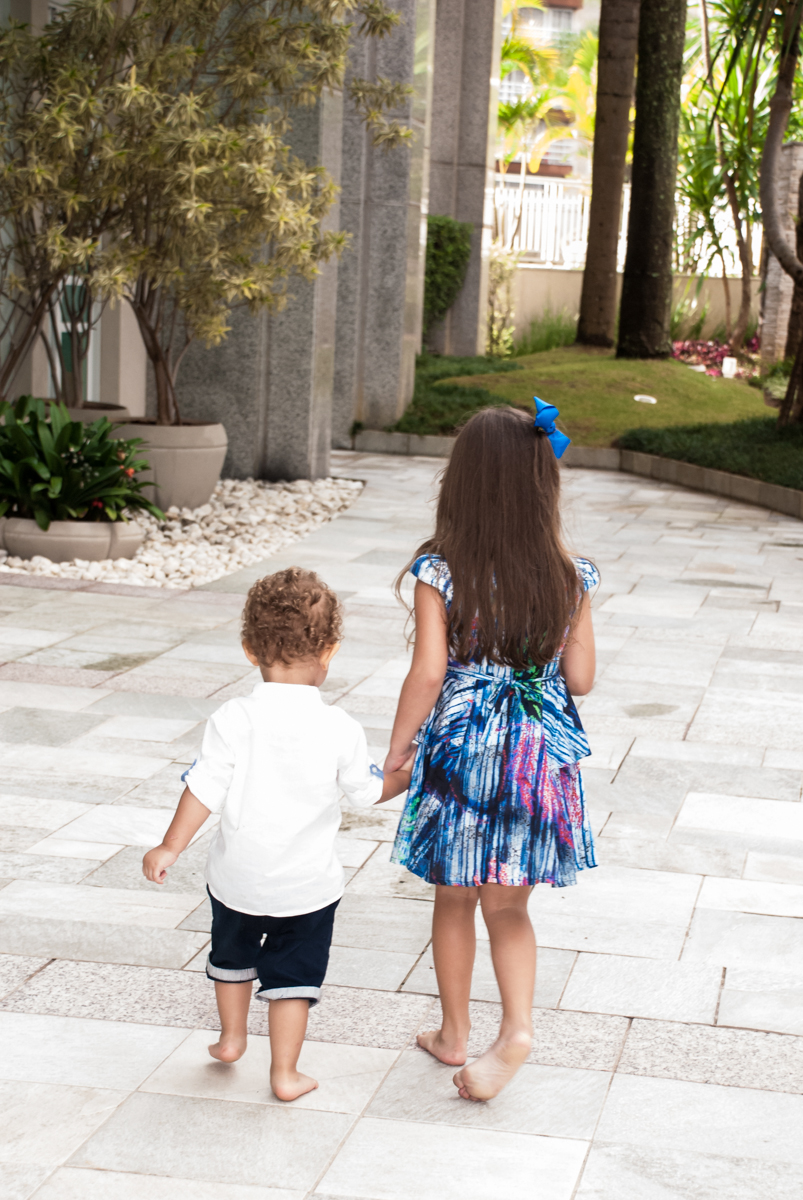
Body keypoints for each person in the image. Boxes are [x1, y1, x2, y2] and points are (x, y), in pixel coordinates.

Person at [385, 403, 598, 1103]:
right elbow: (581, 680)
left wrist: (396, 754)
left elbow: (426, 672)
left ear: (462, 484)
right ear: (543, 483)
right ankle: (516, 1030)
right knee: (509, 907)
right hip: (538, 748)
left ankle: (452, 1033)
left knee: (453, 895)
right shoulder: (569, 574)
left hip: (466, 745)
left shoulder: (439, 571)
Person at [142, 567, 413, 1102]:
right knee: (294, 977)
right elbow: (364, 793)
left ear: (249, 649)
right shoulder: (339, 727)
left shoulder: (232, 717)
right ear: (330, 650)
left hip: (236, 879)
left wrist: (171, 844)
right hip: (306, 887)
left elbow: (204, 787)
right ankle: (285, 1073)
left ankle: (231, 1038)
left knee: (232, 956)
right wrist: (403, 775)